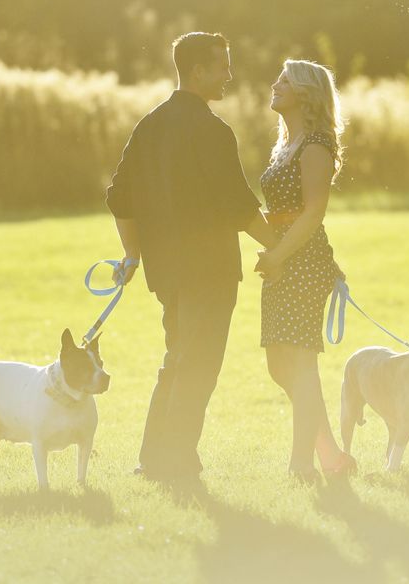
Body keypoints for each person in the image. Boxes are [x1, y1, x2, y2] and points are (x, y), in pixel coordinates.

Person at [105, 32, 279, 482]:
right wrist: (282, 244)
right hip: (210, 271)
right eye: (222, 66)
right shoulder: (213, 130)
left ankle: (157, 457)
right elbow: (239, 207)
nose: (229, 75)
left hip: (167, 271)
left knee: (178, 359)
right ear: (197, 71)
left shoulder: (149, 125)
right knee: (197, 365)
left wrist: (132, 253)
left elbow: (118, 197)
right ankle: (175, 461)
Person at [253, 59, 357, 483]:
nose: (275, 84)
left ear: (307, 93)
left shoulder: (316, 144)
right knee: (280, 365)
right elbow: (283, 212)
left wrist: (277, 256)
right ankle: (332, 454)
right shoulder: (287, 143)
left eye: (285, 80)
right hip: (284, 259)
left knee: (299, 363)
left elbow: (313, 213)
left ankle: (303, 465)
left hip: (304, 262)